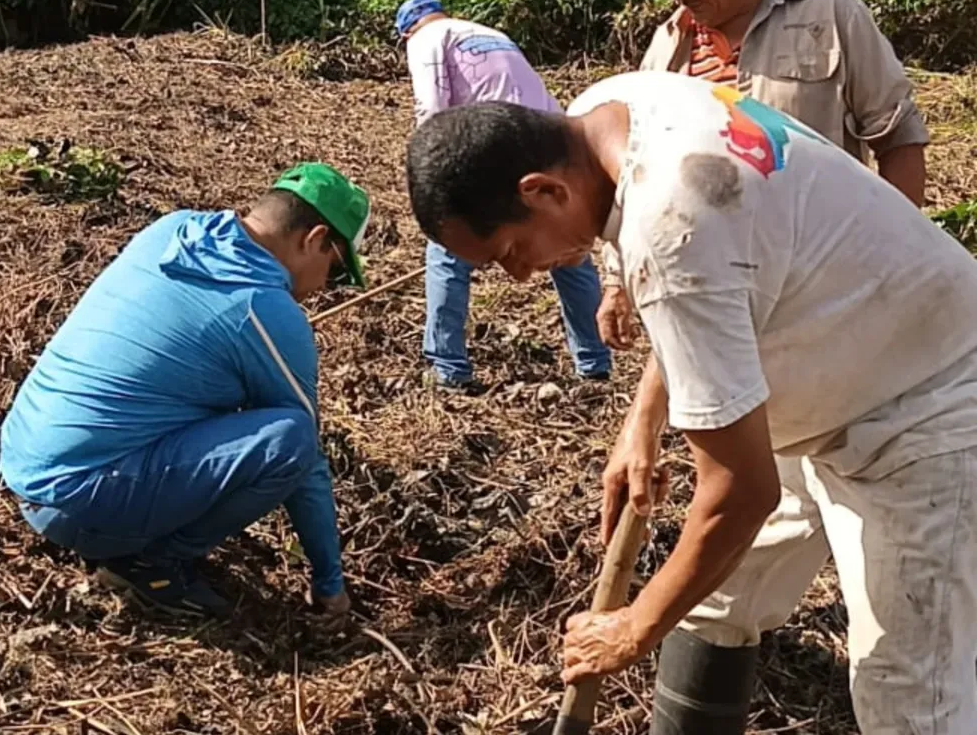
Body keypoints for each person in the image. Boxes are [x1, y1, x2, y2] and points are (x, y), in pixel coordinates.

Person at [405, 72, 977, 734]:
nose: (522, 274)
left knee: (912, 699)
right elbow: (710, 281)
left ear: (542, 189)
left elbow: (740, 489)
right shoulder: (606, 114)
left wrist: (631, 631)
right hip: (830, 380)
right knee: (713, 601)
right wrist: (640, 423)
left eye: (510, 251)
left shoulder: (667, 223)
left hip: (929, 410)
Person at [0, 163, 370, 619]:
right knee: (290, 437)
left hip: (24, 458)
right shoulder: (264, 309)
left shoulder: (174, 229)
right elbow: (304, 458)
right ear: (313, 240)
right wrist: (329, 583)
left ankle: (127, 534)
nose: (323, 289)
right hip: (78, 499)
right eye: (333, 271)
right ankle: (150, 564)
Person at [595, 0, 930, 368]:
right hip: (712, 284)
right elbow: (633, 172)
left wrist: (898, 257)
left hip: (824, 276)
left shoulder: (832, 16)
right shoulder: (668, 47)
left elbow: (898, 137)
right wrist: (615, 281)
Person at [395, 0, 610, 390]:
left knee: (448, 247)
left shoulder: (424, 41)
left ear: (407, 30)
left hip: (491, 150)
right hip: (544, 141)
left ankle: (448, 367)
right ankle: (595, 361)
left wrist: (433, 179)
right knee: (569, 246)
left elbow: (432, 111)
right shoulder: (485, 33)